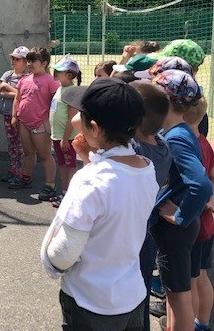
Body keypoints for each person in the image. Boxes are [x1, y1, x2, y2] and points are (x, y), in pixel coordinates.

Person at [41, 78, 159, 330]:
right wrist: (88, 157)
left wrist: (49, 259)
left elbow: (63, 254)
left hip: (90, 301)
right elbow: (113, 193)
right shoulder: (147, 169)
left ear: (94, 128)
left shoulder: (90, 180)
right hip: (131, 295)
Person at [150, 69, 212, 331]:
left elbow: (201, 184)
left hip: (175, 230)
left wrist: (180, 216)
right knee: (175, 292)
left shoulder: (176, 138)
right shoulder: (180, 131)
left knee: (178, 296)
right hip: (177, 227)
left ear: (165, 101)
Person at [128, 80, 172, 331]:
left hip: (134, 232)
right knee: (141, 289)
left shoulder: (134, 151)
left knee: (131, 290)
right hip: (148, 229)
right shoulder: (163, 146)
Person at [9, 47, 60, 193]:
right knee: (28, 153)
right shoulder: (24, 79)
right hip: (24, 122)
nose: (29, 64)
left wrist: (50, 121)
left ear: (44, 63)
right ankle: (25, 178)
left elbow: (56, 102)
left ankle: (50, 185)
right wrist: (14, 116)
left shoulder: (51, 81)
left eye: (33, 61)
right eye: (29, 61)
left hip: (40, 123)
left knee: (45, 155)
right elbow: (17, 98)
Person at [182, 98, 214, 331]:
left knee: (189, 282)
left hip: (194, 221)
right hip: (207, 224)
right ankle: (202, 323)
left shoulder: (185, 145)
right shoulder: (205, 143)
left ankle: (189, 324)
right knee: (201, 275)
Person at [48, 55, 82, 206]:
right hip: (58, 137)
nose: (55, 72)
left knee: (70, 166)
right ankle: (64, 191)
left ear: (69, 75)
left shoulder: (72, 92)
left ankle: (69, 195)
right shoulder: (60, 89)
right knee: (62, 164)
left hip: (66, 138)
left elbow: (71, 117)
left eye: (59, 71)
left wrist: (65, 138)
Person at [0, 46, 30, 184]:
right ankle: (13, 169)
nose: (13, 61)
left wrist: (9, 88)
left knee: (20, 144)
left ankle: (20, 171)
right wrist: (17, 93)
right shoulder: (7, 74)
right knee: (12, 143)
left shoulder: (28, 77)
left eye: (17, 59)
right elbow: (1, 91)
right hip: (7, 113)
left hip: (21, 115)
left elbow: (24, 95)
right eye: (13, 58)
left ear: (25, 62)